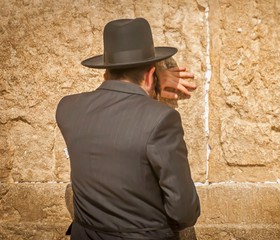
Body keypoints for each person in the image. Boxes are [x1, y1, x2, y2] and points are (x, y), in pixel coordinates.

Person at [56, 18, 200, 240]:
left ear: (105, 72)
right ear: (151, 75)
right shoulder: (163, 119)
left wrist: (150, 80)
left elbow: (114, 106)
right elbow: (184, 212)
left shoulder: (67, 109)